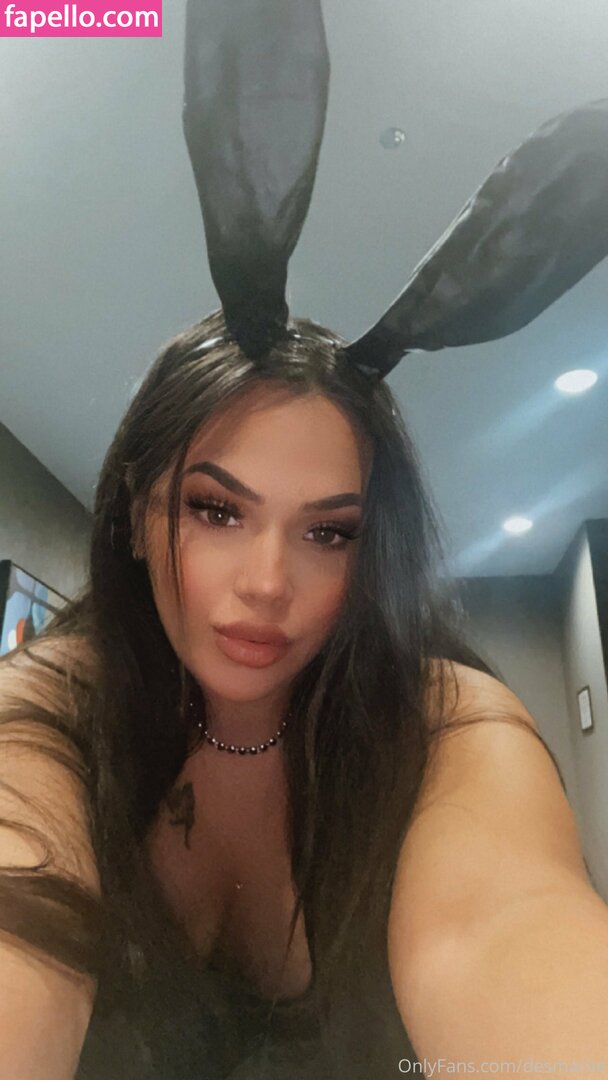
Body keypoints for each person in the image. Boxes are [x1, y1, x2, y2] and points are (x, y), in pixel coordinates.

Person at [1, 306, 606, 1080]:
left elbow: (497, 926)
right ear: (134, 514)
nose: (267, 583)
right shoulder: (47, 708)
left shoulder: (445, 727)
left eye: (327, 533)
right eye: (216, 510)